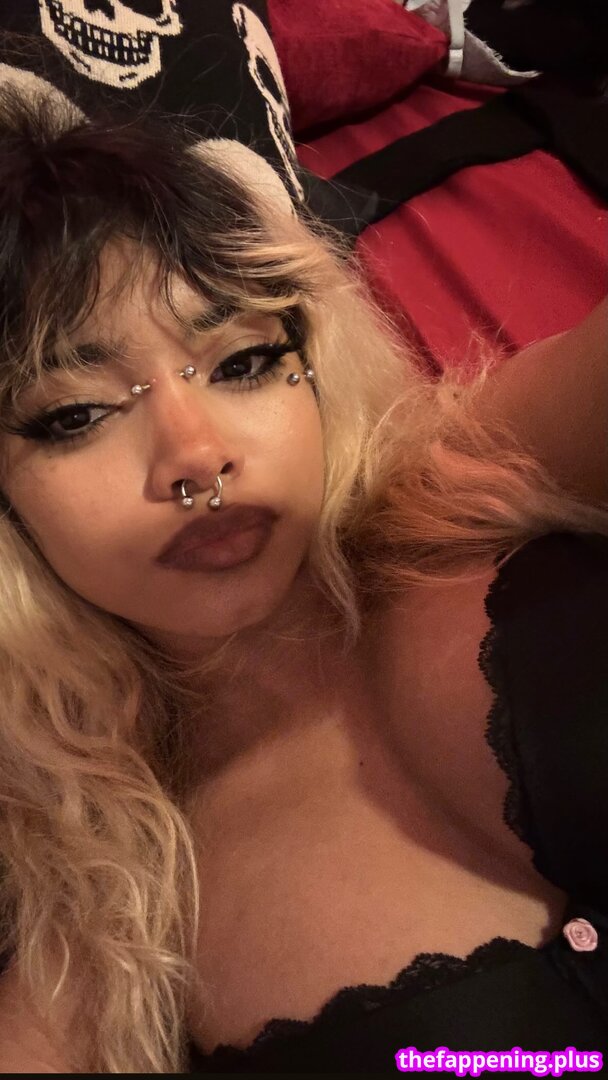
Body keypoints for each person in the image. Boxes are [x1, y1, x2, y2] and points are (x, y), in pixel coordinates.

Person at [0, 86, 606, 1075]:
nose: (195, 455)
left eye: (242, 360)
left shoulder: (483, 472)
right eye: (75, 415)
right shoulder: (110, 918)